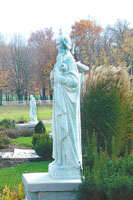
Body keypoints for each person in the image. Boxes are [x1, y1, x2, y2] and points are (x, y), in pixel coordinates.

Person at [49, 31, 88, 179]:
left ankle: (69, 163)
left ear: (64, 45)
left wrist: (61, 79)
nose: (57, 46)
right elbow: (57, 78)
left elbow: (75, 82)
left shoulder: (69, 59)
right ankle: (60, 161)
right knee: (59, 130)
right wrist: (54, 77)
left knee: (68, 131)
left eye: (58, 44)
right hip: (59, 102)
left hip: (68, 104)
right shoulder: (60, 58)